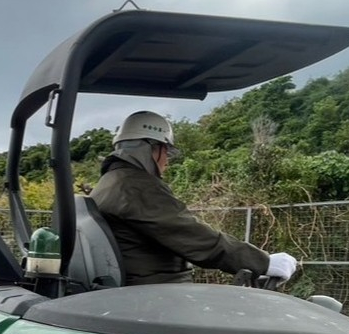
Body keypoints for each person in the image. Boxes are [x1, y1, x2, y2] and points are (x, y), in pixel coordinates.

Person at [88, 110, 298, 286]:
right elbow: (195, 237)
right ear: (151, 148)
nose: (167, 163)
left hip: (143, 288)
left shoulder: (109, 184)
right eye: (166, 153)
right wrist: (264, 262)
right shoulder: (135, 187)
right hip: (157, 292)